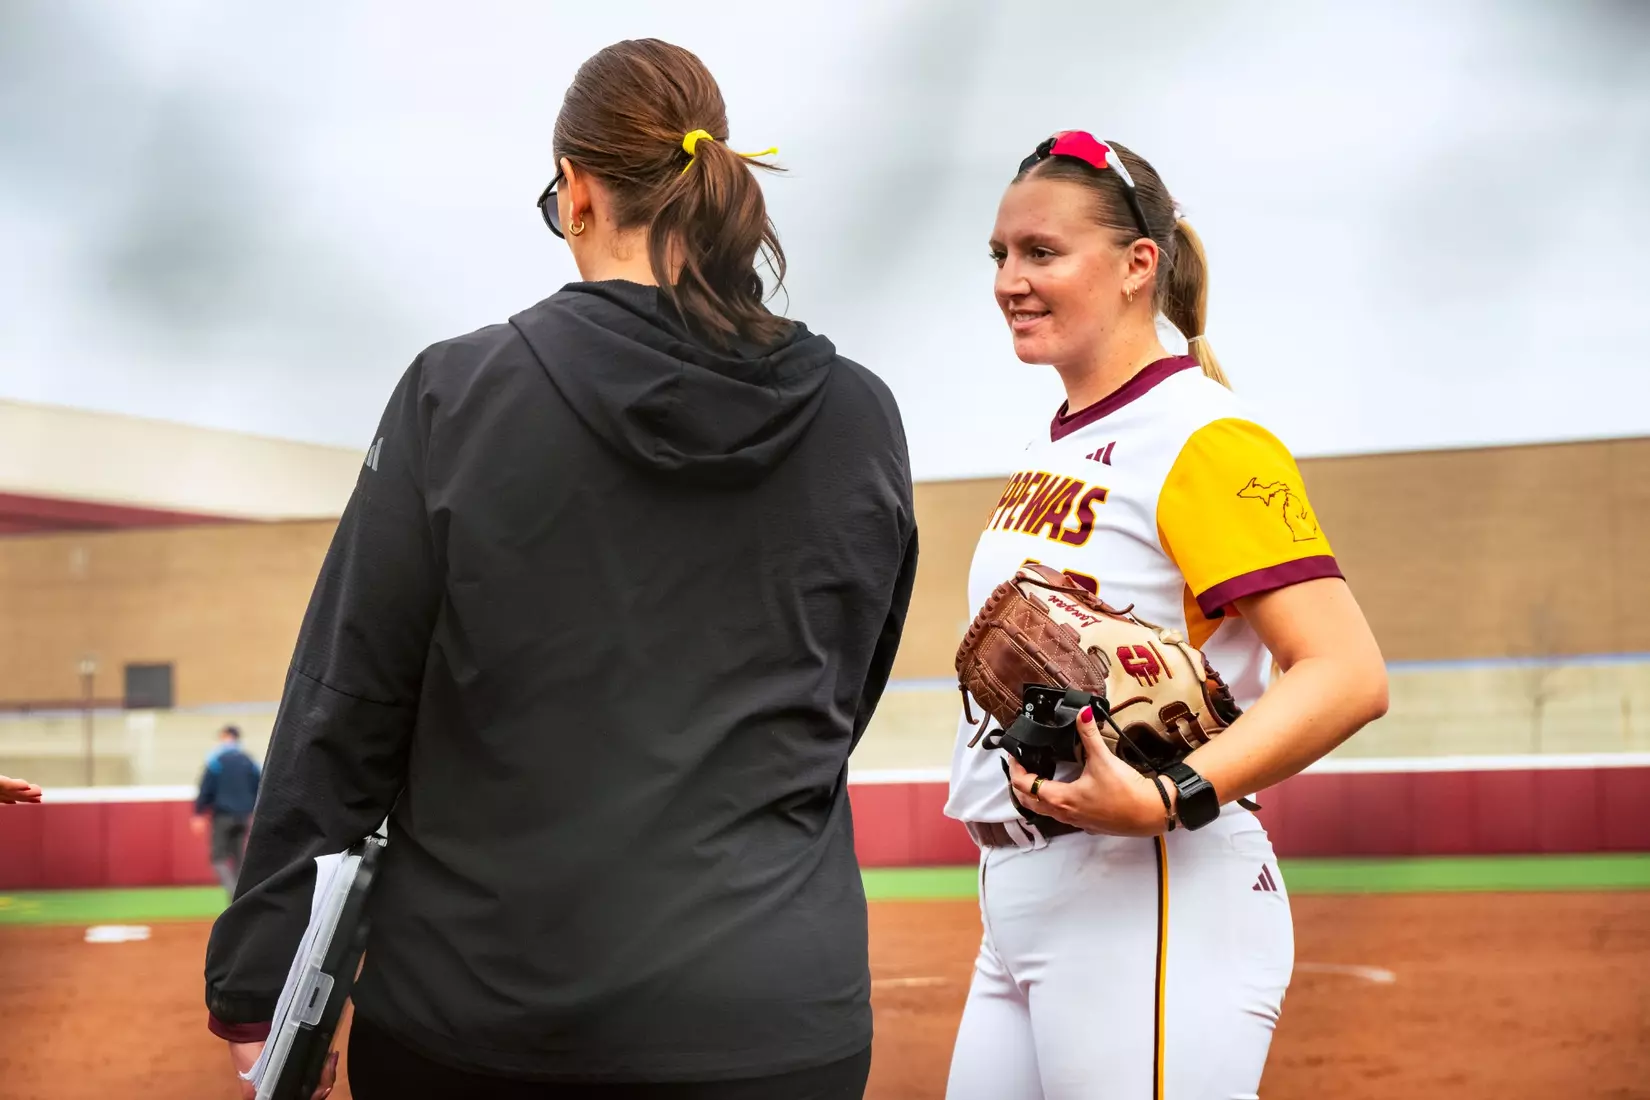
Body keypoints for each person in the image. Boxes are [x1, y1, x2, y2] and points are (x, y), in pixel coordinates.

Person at [203, 38, 917, 1100]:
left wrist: (263, 974)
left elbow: (347, 699)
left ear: (577, 192)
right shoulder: (860, 414)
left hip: (482, 1018)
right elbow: (842, 693)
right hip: (776, 1022)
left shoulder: (459, 394)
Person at [942, 132, 1389, 1099]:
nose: (1011, 280)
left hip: (1150, 886)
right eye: (1001, 254)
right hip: (1023, 893)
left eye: (1043, 252)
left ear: (1138, 264)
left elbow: (1347, 673)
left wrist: (1169, 795)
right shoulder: (1060, 440)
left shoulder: (1203, 435)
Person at [191, 725, 262, 897]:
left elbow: (206, 787)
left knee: (218, 858)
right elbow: (259, 787)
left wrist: (198, 813)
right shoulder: (249, 761)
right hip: (243, 816)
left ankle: (234, 895)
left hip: (223, 816)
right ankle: (241, 898)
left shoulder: (216, 760)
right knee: (238, 859)